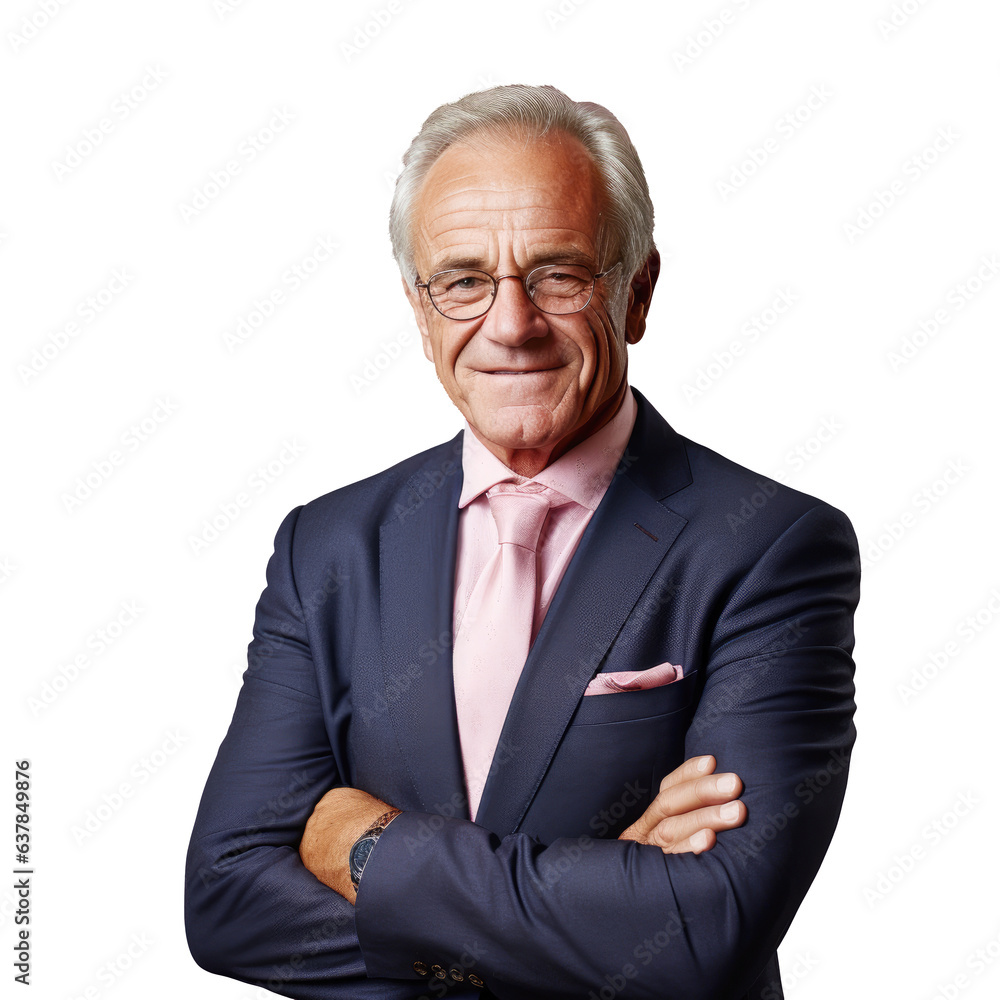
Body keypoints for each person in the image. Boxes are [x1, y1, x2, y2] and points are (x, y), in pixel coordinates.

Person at [184, 84, 860, 1000]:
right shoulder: (329, 548)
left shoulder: (771, 547)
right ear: (420, 310)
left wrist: (368, 848)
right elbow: (227, 900)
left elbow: (705, 931)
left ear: (637, 292)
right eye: (463, 281)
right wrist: (593, 915)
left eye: (558, 274)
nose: (511, 325)